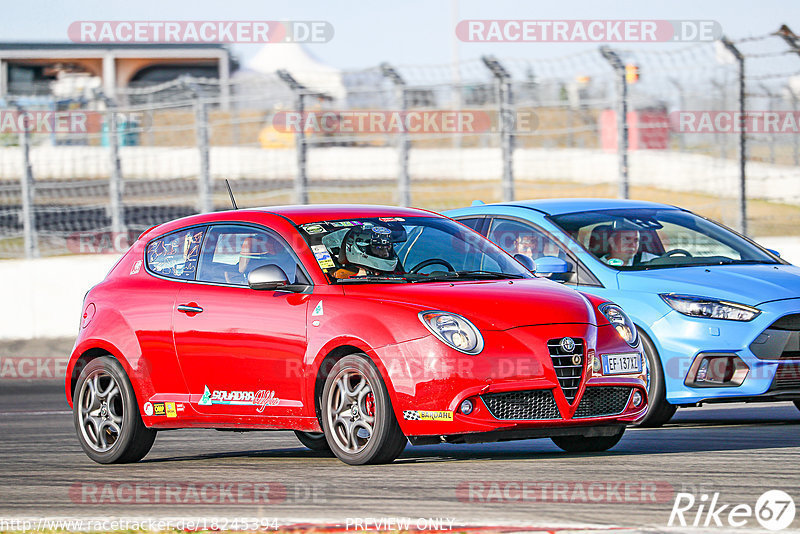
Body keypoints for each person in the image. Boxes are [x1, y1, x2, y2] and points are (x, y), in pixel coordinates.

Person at [332, 226, 399, 279]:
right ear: (361, 249)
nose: (386, 253)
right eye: (379, 248)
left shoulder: (402, 277)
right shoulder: (343, 281)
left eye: (387, 248)